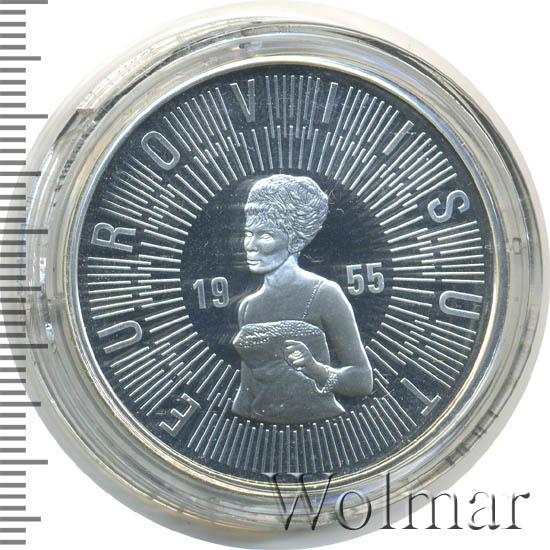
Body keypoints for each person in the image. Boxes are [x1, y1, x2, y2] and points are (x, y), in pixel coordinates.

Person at [232, 174, 373, 424]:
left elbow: (362, 380)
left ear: (295, 239)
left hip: (327, 427)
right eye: (248, 233)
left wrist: (314, 369)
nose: (249, 245)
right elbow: (246, 390)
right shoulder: (248, 307)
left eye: (265, 235)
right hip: (263, 429)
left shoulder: (325, 294)